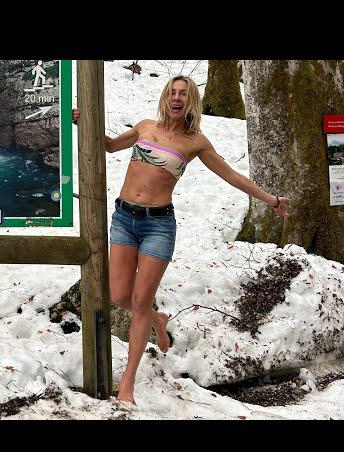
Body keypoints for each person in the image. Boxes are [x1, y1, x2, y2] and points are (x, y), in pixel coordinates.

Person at [72, 75, 290, 404]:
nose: (177, 98)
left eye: (183, 94)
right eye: (172, 93)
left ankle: (128, 384)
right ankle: (156, 320)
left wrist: (270, 199)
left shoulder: (195, 143)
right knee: (119, 296)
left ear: (190, 102)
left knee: (140, 303)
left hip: (158, 227)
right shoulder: (145, 127)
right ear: (166, 97)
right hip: (124, 219)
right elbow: (109, 145)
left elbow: (230, 175)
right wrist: (83, 122)